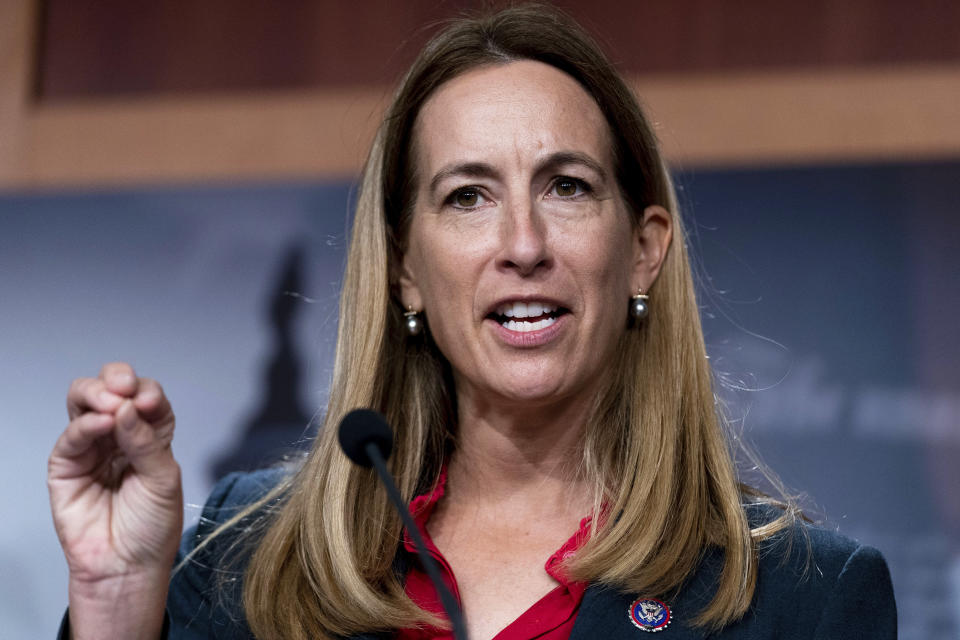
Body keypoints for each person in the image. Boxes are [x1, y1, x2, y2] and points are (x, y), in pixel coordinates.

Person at [48, 5, 896, 639]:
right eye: (467, 196)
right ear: (407, 270)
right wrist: (118, 603)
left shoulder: (803, 598)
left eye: (566, 186)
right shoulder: (247, 556)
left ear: (642, 250)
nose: (522, 245)